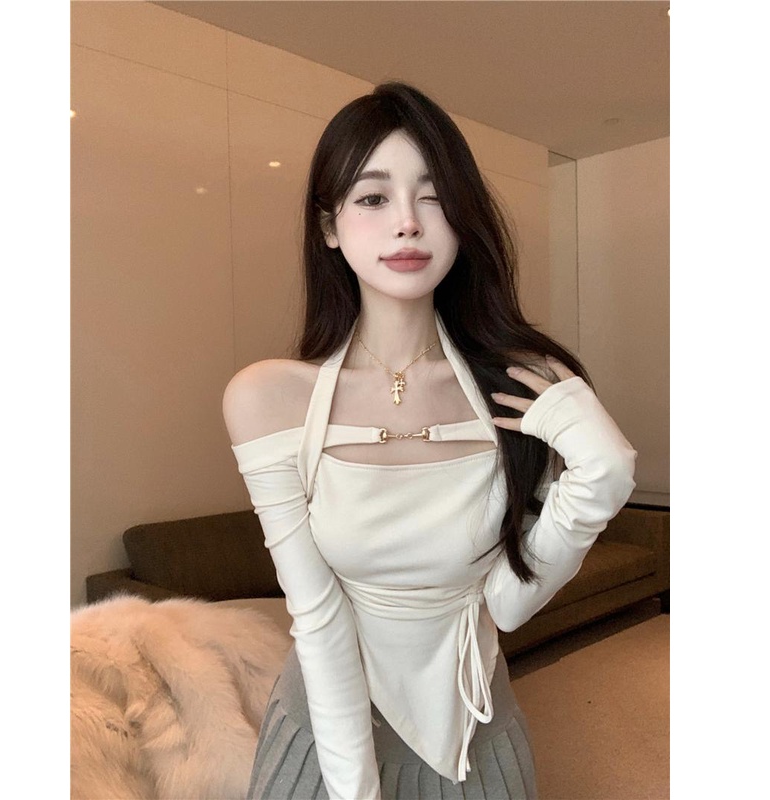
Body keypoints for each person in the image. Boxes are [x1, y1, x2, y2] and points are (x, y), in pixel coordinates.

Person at [222, 82, 637, 800]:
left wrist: (605, 470)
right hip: (326, 740)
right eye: (373, 197)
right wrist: (355, 790)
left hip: (477, 738)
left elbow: (505, 606)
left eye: (435, 196)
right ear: (329, 226)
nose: (408, 223)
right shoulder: (269, 398)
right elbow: (318, 620)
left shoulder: (522, 387)